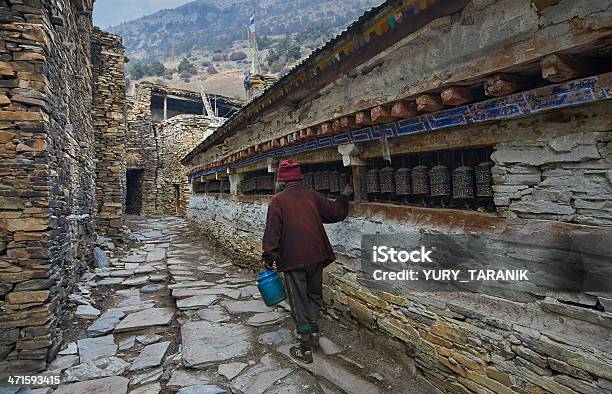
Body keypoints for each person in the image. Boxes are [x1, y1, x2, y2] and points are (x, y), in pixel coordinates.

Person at [262, 159, 352, 363]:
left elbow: (272, 231)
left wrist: (269, 257)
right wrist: (344, 197)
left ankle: (305, 347)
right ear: (299, 178)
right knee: (313, 294)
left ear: (281, 181)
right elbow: (334, 212)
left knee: (298, 299)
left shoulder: (278, 200)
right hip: (316, 256)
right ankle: (314, 331)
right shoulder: (312, 195)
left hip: (293, 259)